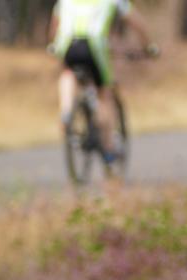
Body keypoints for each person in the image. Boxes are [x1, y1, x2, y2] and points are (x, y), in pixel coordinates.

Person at [49, 0, 157, 171]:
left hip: (67, 43)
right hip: (95, 45)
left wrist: (53, 44)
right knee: (104, 94)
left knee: (68, 74)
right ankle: (108, 148)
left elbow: (55, 23)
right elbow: (136, 23)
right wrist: (149, 46)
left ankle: (66, 110)